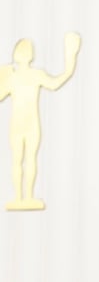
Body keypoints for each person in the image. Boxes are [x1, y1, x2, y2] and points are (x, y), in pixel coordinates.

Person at [0, 33, 80, 210]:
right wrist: (70, 60)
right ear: (31, 55)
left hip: (20, 125)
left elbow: (55, 83)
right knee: (28, 159)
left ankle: (22, 198)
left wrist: (70, 59)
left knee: (19, 160)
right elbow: (56, 82)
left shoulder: (13, 77)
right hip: (29, 125)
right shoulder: (32, 75)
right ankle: (24, 198)